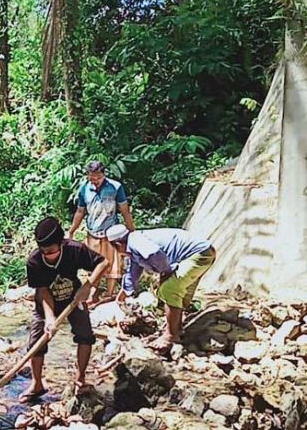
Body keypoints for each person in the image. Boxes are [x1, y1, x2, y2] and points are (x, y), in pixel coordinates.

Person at [19, 217, 109, 403]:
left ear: (60, 244)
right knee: (36, 342)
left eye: (51, 251)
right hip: (45, 304)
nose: (48, 255)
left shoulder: (75, 250)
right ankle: (37, 383)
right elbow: (43, 291)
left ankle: (80, 377)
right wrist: (50, 317)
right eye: (44, 252)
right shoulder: (34, 262)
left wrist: (89, 286)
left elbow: (103, 263)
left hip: (74, 300)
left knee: (85, 336)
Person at [106, 224, 216, 354]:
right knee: (175, 292)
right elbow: (132, 273)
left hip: (197, 253)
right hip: (202, 252)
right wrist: (123, 294)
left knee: (169, 290)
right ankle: (177, 329)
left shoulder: (136, 241)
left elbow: (155, 253)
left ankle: (170, 336)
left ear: (117, 245)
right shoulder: (133, 248)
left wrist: (165, 271)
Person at [68, 161, 135, 303]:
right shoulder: (84, 190)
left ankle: (110, 294)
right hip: (93, 232)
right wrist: (71, 231)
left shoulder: (115, 187)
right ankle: (94, 292)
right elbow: (80, 211)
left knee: (113, 263)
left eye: (98, 178)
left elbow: (125, 210)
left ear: (103, 175)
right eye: (92, 178)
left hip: (111, 233)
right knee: (92, 264)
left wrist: (132, 231)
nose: (95, 181)